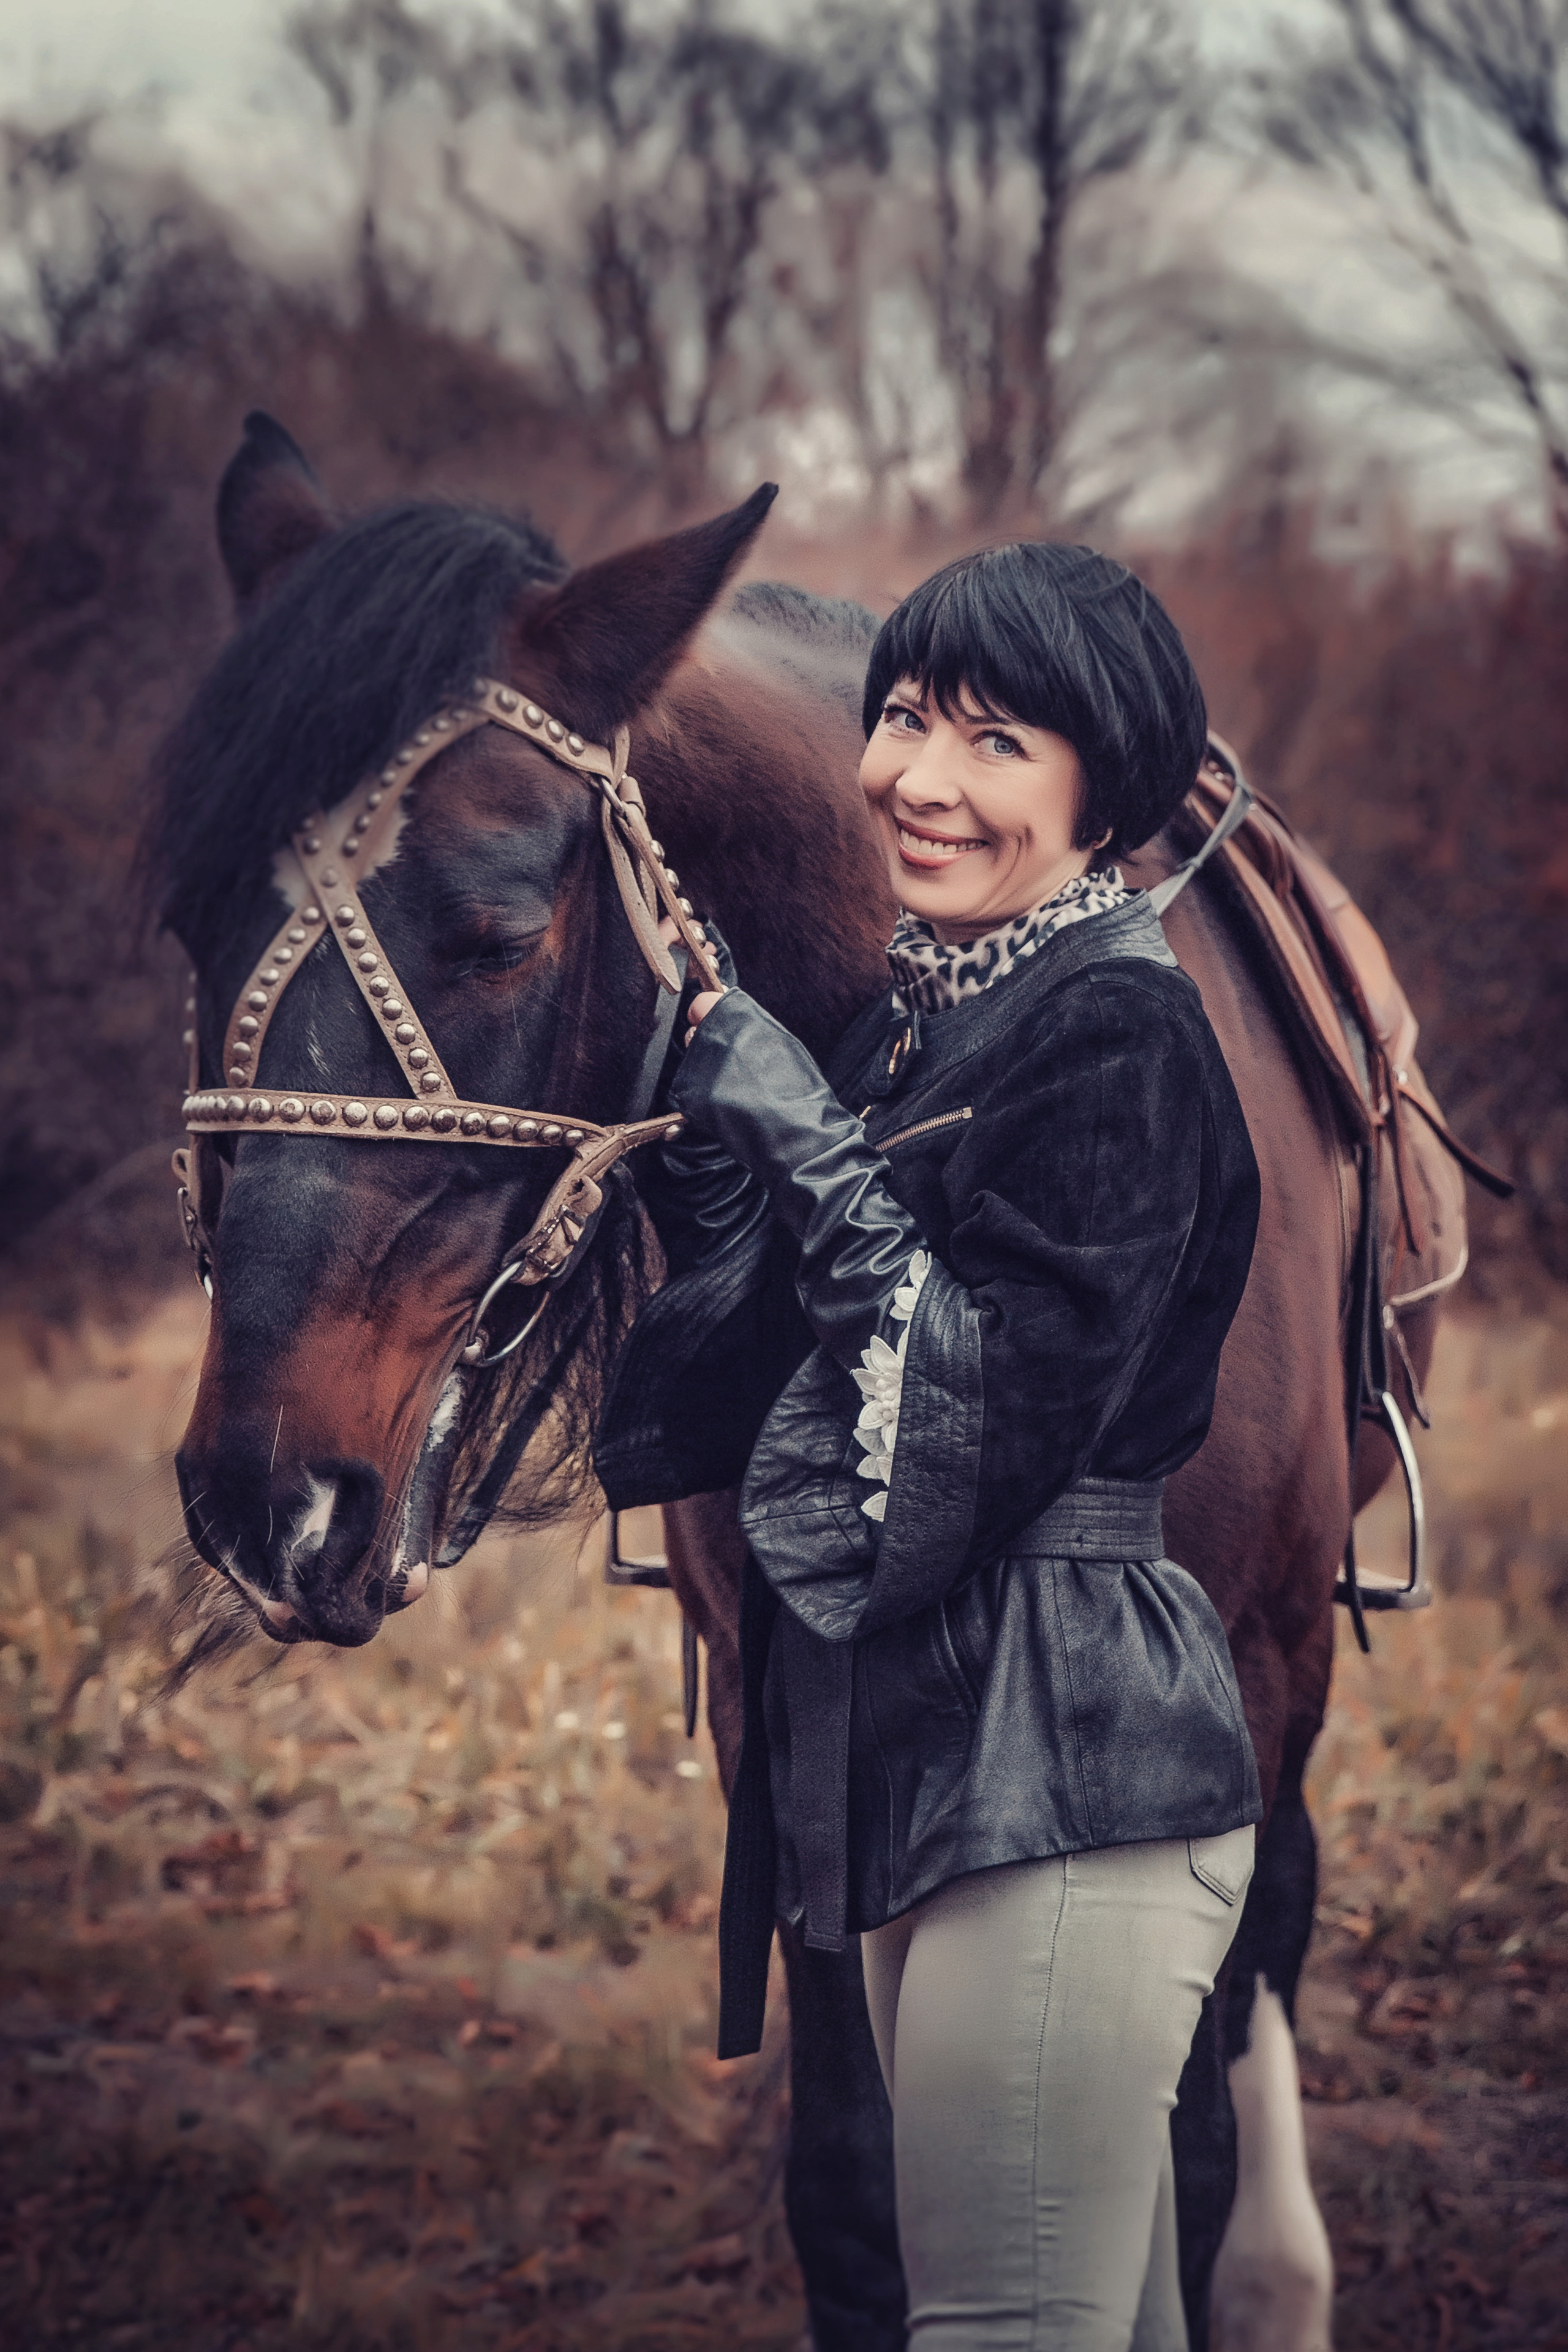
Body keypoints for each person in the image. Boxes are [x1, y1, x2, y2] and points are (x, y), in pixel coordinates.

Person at [595, 541, 1263, 2350]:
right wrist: (720, 1164)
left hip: (1061, 1775)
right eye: (902, 718)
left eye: (995, 741)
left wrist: (805, 1144)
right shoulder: (931, 1020)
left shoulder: (1118, 1031)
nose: (918, 776)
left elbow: (974, 1424)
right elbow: (773, 1392)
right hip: (939, 1772)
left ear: (1102, 793)